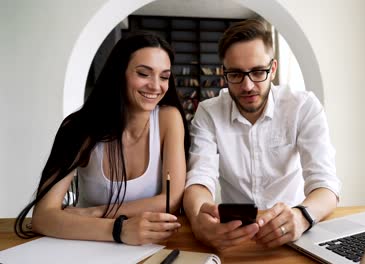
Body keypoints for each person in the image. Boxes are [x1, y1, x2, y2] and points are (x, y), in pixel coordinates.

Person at [15, 33, 190, 245]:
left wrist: (97, 212)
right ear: (119, 73)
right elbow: (43, 216)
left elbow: (171, 200)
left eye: (164, 77)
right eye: (144, 74)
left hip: (152, 247)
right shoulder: (80, 128)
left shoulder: (168, 118)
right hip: (89, 246)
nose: (156, 86)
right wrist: (120, 229)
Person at [183, 19, 341, 250]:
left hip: (296, 232)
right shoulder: (209, 112)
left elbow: (326, 185)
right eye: (236, 74)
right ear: (224, 73)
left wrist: (301, 216)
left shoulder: (303, 106)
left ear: (273, 68)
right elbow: (199, 178)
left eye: (258, 72)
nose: (247, 86)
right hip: (234, 235)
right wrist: (199, 222)